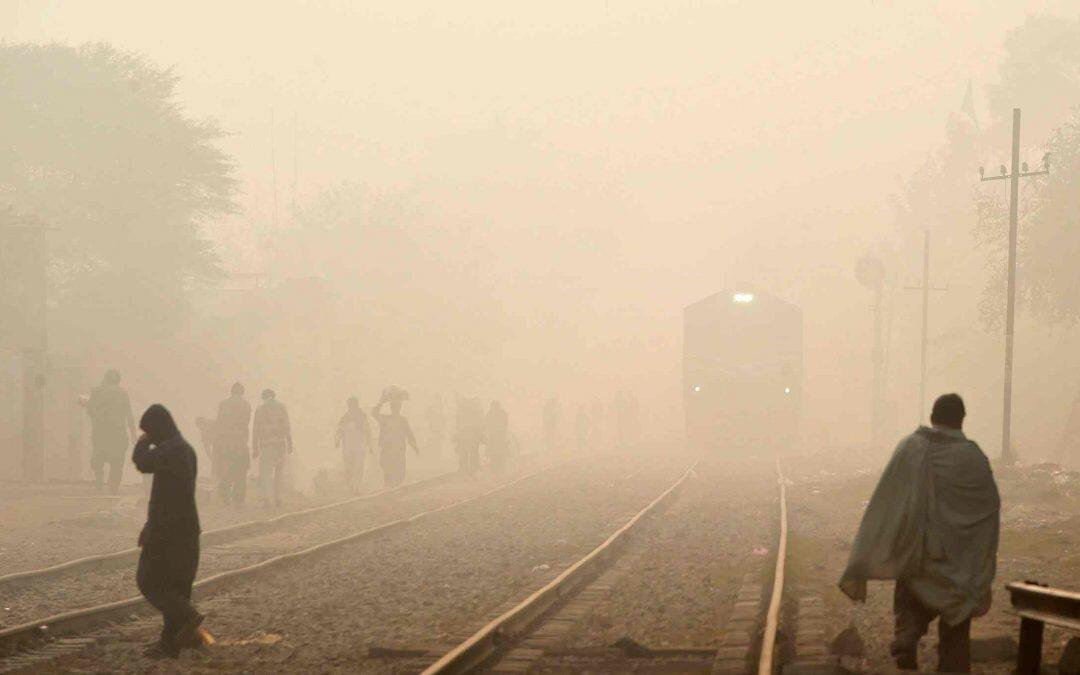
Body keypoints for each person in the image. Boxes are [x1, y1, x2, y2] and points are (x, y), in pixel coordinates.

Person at [839, 394, 1000, 673]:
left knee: (911, 593)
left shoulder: (913, 448)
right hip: (964, 563)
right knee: (956, 628)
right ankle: (953, 666)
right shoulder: (974, 457)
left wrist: (876, 549)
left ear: (932, 417)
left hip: (924, 553)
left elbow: (887, 502)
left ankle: (907, 635)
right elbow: (990, 508)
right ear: (962, 420)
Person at [132, 404, 203, 659]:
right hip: (187, 529)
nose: (148, 435)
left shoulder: (169, 451)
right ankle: (171, 643)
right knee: (177, 586)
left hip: (166, 531)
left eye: (149, 431)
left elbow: (141, 463)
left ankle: (188, 617)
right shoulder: (187, 450)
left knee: (149, 580)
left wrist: (142, 442)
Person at [81, 369, 136, 493]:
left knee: (98, 459)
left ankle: (99, 481)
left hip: (101, 433)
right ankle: (113, 489)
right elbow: (129, 415)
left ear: (105, 379)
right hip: (119, 434)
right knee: (117, 462)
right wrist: (133, 434)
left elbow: (89, 411)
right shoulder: (123, 394)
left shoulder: (96, 392)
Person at [371, 386, 419, 488]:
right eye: (394, 406)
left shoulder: (402, 421)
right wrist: (381, 402)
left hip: (399, 451)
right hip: (388, 450)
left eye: (398, 406)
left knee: (399, 474)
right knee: (388, 471)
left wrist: (415, 446)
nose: (396, 408)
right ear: (392, 408)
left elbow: (409, 435)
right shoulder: (385, 419)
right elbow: (374, 413)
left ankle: (393, 490)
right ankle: (389, 490)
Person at [252, 389, 292, 507]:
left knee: (266, 473)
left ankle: (266, 499)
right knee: (279, 473)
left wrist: (255, 447)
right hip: (280, 444)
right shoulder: (281, 407)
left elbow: (256, 429)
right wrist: (290, 443)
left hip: (266, 444)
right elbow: (286, 426)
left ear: (264, 397)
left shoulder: (260, 409)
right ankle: (278, 499)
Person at [215, 383, 252, 507]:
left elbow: (219, 423)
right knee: (241, 471)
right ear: (242, 392)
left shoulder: (223, 404)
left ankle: (225, 495)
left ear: (231, 391)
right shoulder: (246, 405)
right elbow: (246, 422)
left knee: (226, 469)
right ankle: (239, 499)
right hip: (240, 442)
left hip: (225, 442)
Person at [335, 396, 372, 493]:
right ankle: (351, 486)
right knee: (349, 467)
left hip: (359, 446)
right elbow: (340, 430)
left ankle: (357, 486)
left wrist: (369, 443)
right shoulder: (345, 418)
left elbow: (367, 430)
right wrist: (337, 440)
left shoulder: (362, 417)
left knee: (358, 466)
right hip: (348, 446)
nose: (352, 407)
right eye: (350, 405)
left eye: (353, 405)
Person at [454, 397, 484, 477]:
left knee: (464, 453)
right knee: (473, 453)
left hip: (465, 436)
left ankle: (464, 469)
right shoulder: (476, 411)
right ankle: (472, 469)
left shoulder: (462, 411)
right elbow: (480, 423)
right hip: (472, 436)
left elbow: (457, 424)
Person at [484, 400, 510, 474]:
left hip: (493, 437)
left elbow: (486, 425)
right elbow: (506, 423)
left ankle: (495, 469)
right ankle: (500, 468)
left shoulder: (489, 414)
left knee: (494, 454)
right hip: (500, 437)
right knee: (501, 453)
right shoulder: (502, 413)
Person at [425, 395, 447, 462]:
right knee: (435, 441)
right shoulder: (433, 408)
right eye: (438, 399)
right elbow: (428, 414)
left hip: (438, 428)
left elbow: (443, 419)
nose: (439, 401)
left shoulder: (441, 408)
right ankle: (434, 457)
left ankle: (436, 457)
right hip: (434, 428)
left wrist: (443, 425)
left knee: (438, 442)